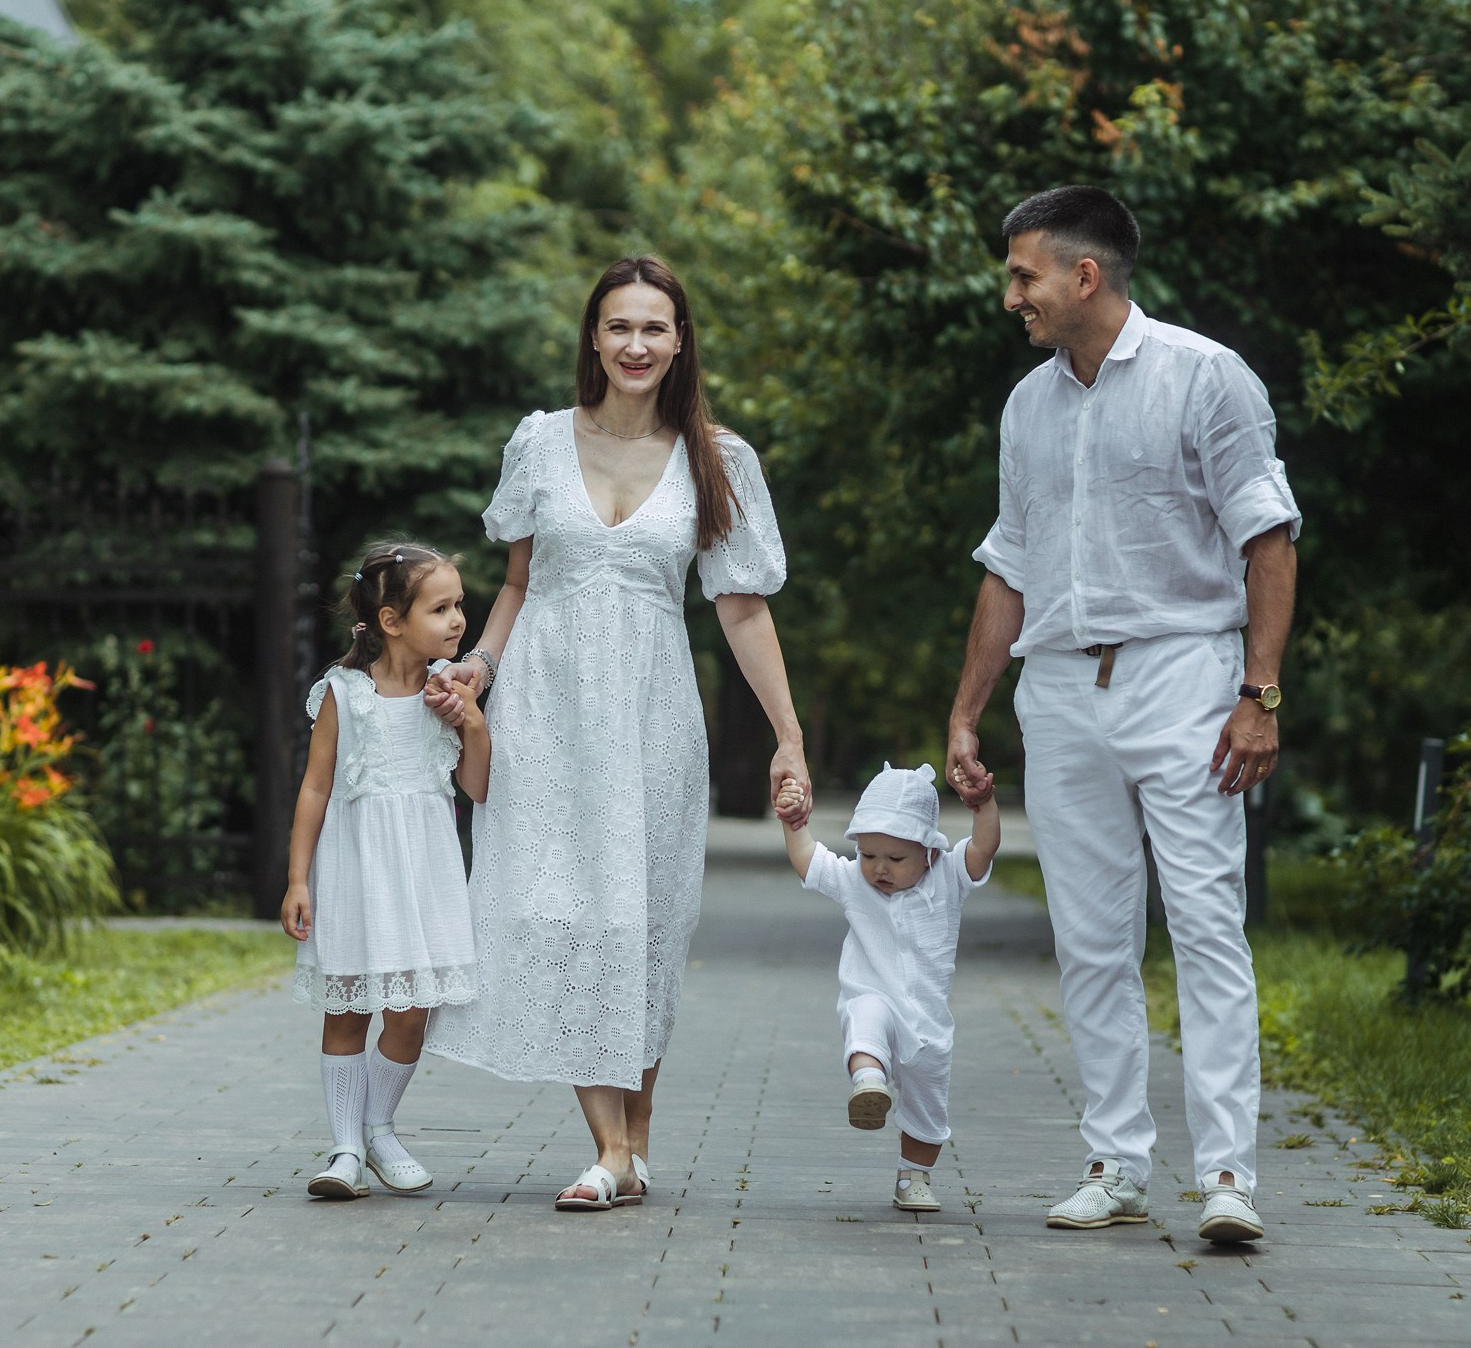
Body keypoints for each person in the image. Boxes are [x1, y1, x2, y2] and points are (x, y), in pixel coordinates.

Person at [945, 186, 1299, 1245]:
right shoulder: (1027, 405)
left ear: (1082, 275)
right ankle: (1116, 1162)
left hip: (1185, 679)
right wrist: (968, 712)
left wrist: (1258, 694)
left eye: (1023, 275)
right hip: (1058, 687)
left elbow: (1268, 540)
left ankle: (1229, 1174)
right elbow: (1008, 564)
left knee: (1202, 925)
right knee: (1090, 939)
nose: (1012, 295)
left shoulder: (1205, 377)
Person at [424, 256, 811, 1212]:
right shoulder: (542, 441)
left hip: (651, 715)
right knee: (565, 914)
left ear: (680, 342)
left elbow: (744, 611)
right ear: (593, 338)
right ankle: (607, 1147)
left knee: (641, 923)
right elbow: (515, 581)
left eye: (654, 328)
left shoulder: (717, 457)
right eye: (618, 326)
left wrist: (788, 738)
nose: (635, 344)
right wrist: (482, 665)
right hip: (547, 713)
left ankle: (633, 1146)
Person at [281, 542, 491, 1201]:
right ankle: (345, 1147)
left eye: (460, 605)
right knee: (347, 1011)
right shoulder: (344, 692)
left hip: (423, 873)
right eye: (441, 607)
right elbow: (314, 789)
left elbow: (478, 786)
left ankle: (378, 1126)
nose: (458, 619)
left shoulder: (451, 691)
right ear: (392, 620)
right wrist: (297, 878)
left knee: (409, 1014)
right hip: (354, 871)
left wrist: (474, 722)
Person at [773, 764, 999, 1213]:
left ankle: (914, 1178)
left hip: (928, 1023)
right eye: (868, 854)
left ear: (930, 853)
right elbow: (809, 860)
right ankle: (869, 1082)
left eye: (896, 860)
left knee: (928, 1109)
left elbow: (984, 846)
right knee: (866, 1018)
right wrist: (794, 823)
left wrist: (983, 805)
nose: (879, 869)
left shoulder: (949, 879)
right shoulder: (855, 883)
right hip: (873, 998)